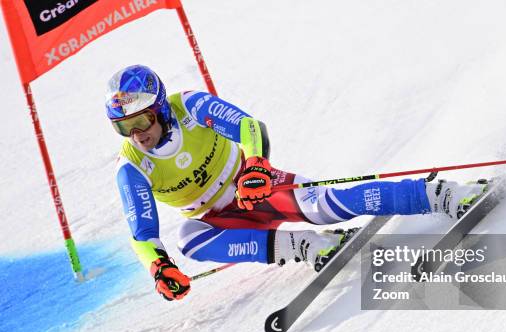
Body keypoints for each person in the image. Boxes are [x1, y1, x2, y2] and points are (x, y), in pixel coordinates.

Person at [107, 65, 486, 301]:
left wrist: (256, 165)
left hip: (253, 187)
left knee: (326, 207)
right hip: (222, 220)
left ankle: (441, 193)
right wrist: (160, 268)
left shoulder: (187, 106)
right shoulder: (133, 166)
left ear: (160, 109)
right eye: (124, 127)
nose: (137, 134)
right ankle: (307, 246)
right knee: (189, 239)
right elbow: (142, 234)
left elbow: (247, 126)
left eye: (141, 121)